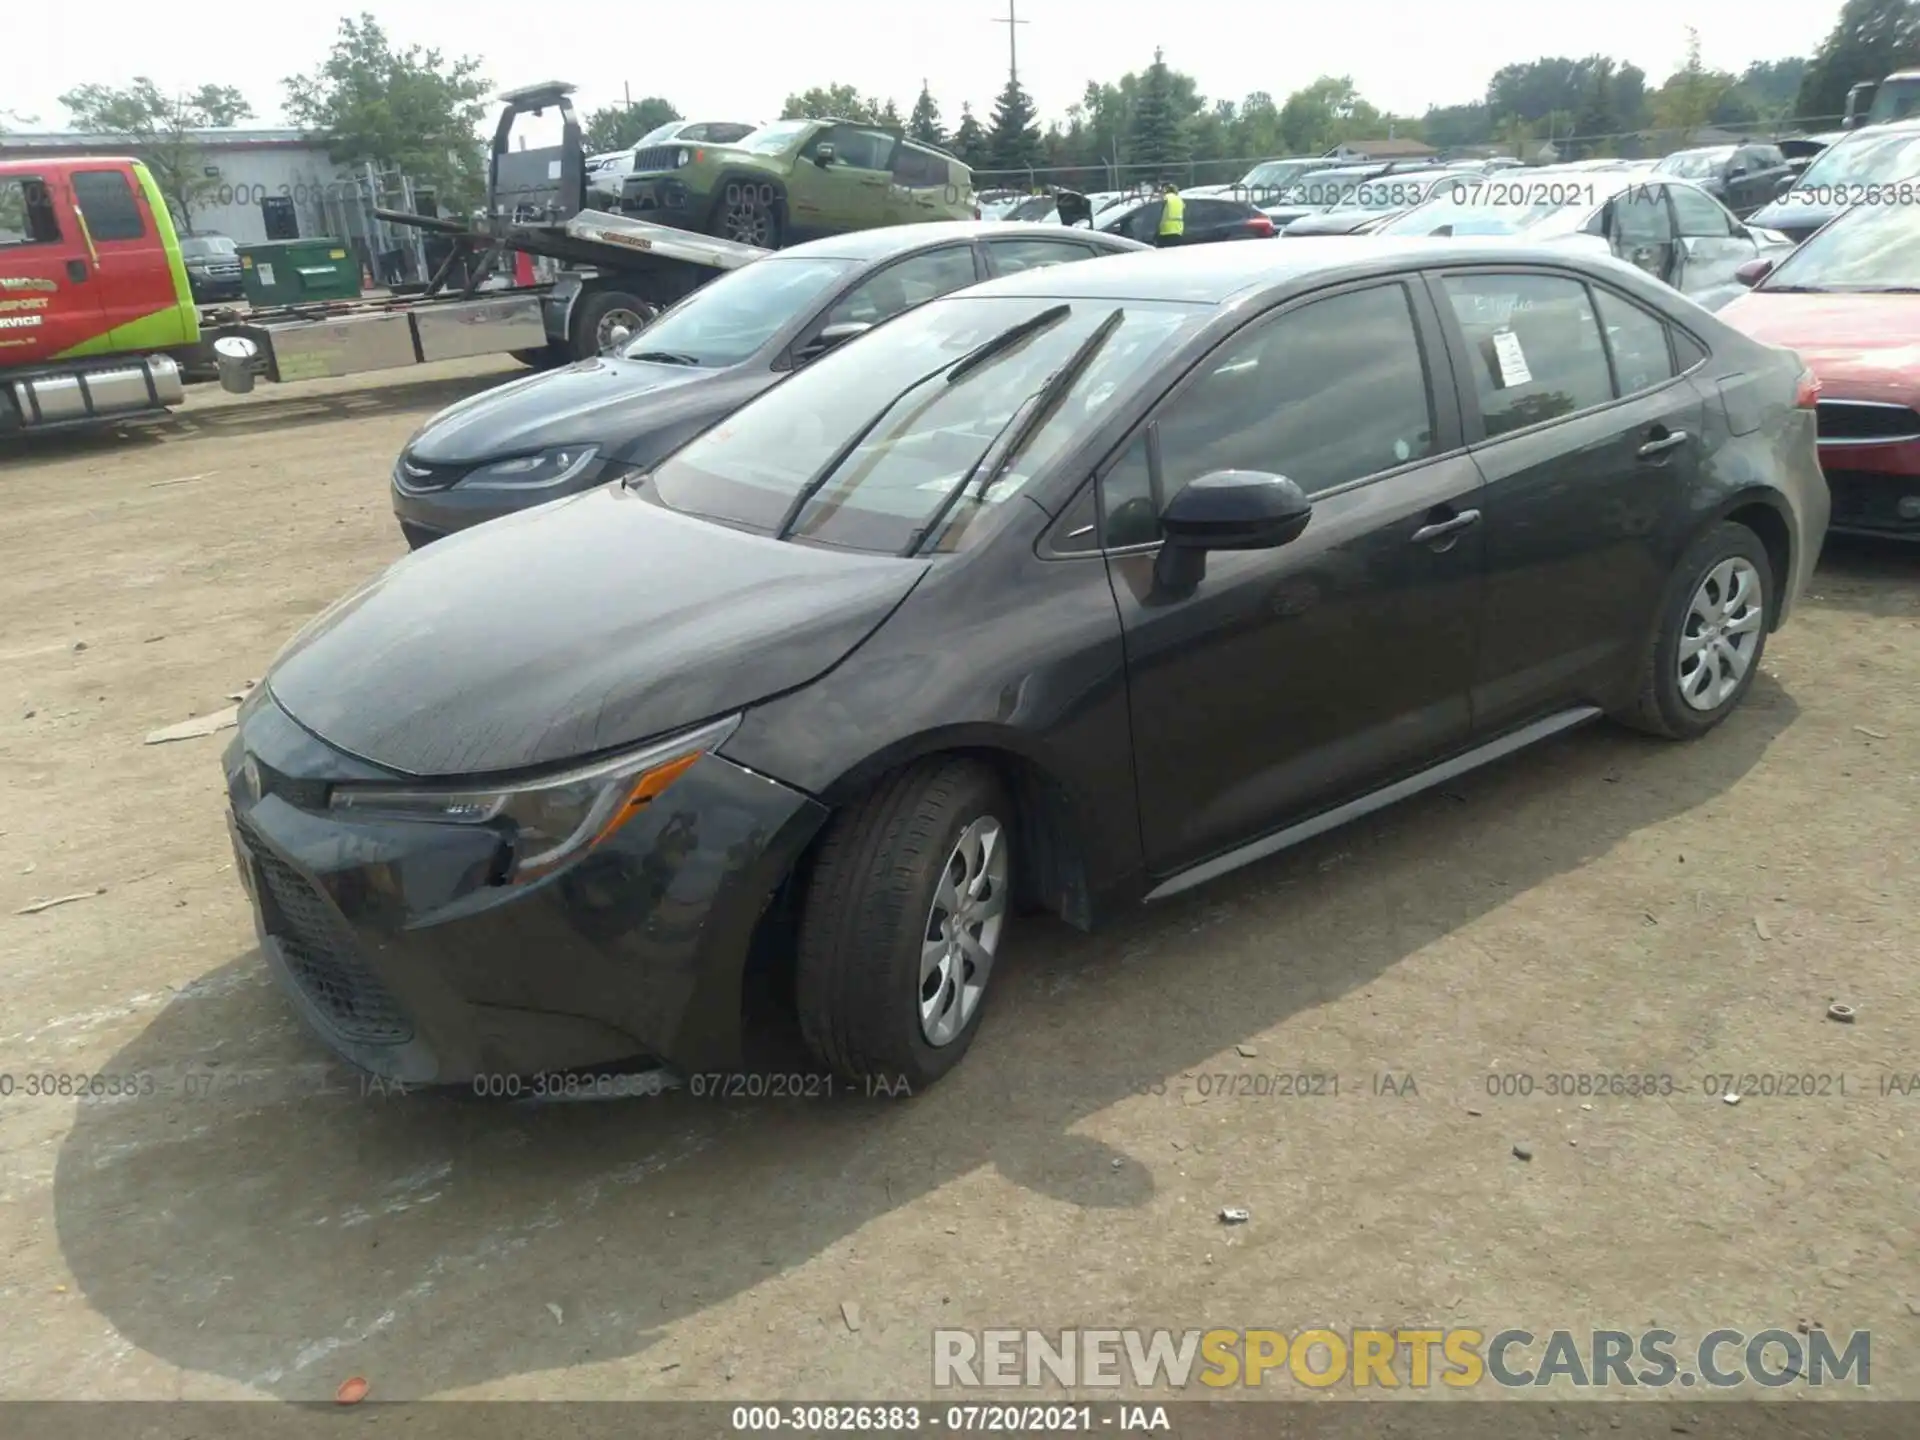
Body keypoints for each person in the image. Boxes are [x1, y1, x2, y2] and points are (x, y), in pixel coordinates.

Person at [1156, 182, 1185, 247]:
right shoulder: (1179, 199)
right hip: (1178, 230)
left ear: (1165, 190)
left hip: (1166, 231)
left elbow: (1157, 209)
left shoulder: (1166, 198)